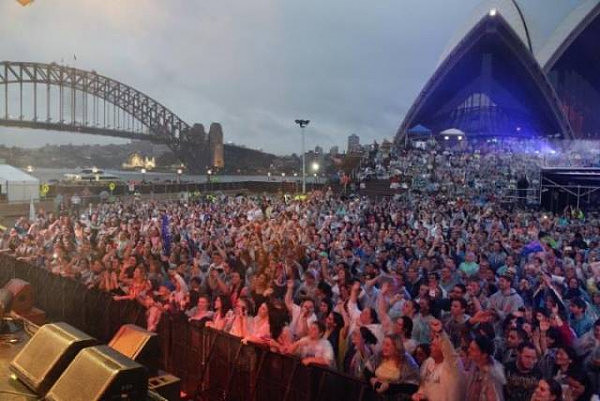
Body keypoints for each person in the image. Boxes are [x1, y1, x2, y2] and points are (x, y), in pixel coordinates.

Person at [412, 319, 466, 401]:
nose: (431, 343)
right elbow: (423, 387)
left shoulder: (453, 365)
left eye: (436, 339)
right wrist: (419, 394)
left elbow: (449, 351)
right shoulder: (428, 362)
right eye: (432, 340)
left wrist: (441, 333)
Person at [465, 335, 506, 401]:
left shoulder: (493, 375)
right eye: (469, 347)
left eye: (472, 349)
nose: (468, 350)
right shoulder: (475, 364)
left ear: (484, 355)